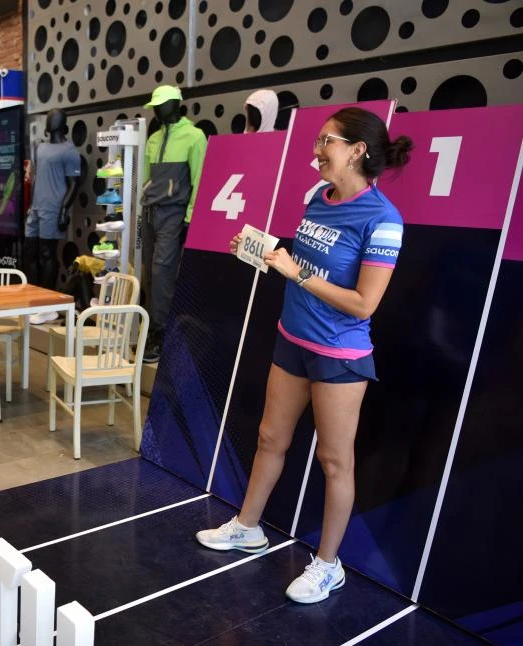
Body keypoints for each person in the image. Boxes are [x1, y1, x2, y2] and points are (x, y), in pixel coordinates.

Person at [195, 107, 412, 604]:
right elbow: (305, 260)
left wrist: (296, 274)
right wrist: (264, 254)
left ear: (357, 150)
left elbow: (364, 302)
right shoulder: (317, 196)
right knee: (271, 437)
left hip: (340, 355)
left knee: (336, 461)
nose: (316, 152)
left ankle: (328, 565)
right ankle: (248, 528)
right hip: (291, 338)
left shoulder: (384, 221)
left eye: (325, 142)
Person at [140, 85, 207, 363]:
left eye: (161, 104)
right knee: (150, 273)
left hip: (173, 213)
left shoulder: (194, 137)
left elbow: (200, 179)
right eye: (154, 105)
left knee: (163, 272)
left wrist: (190, 217)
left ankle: (161, 333)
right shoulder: (153, 139)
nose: (157, 110)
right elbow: (146, 177)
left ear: (175, 103)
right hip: (150, 213)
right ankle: (155, 329)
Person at [24, 108, 82, 324]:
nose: (51, 121)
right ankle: (33, 299)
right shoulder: (40, 148)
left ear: (61, 123)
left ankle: (48, 306)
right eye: (50, 118)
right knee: (31, 252)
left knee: (48, 254)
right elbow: (38, 178)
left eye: (54, 118)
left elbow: (74, 185)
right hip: (37, 209)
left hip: (53, 209)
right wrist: (31, 205)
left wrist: (63, 210)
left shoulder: (70, 152)